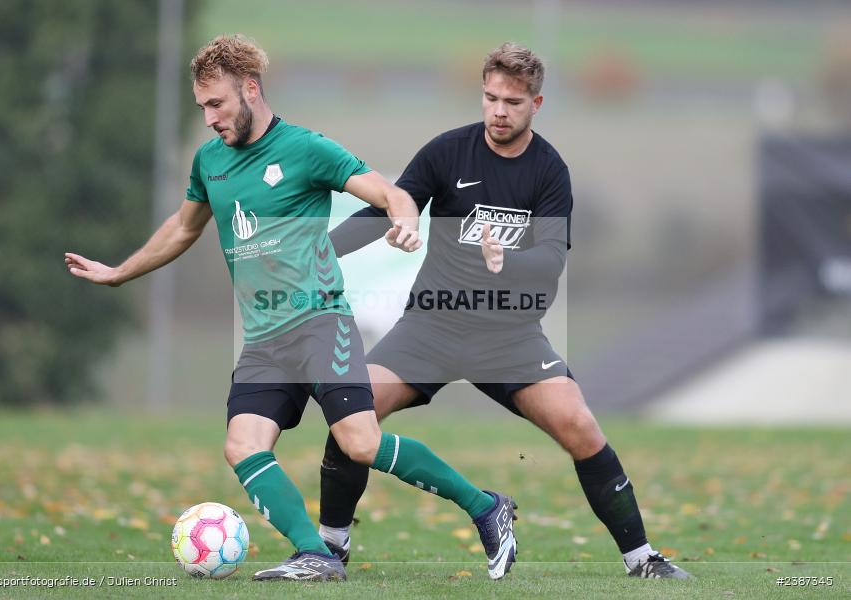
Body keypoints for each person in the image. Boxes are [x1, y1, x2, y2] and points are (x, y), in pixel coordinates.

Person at [64, 34, 517, 582]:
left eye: (217, 104)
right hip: (263, 339)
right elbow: (184, 227)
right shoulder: (209, 162)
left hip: (320, 323)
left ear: (251, 90)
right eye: (202, 106)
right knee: (242, 445)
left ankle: (485, 507)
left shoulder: (306, 149)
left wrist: (403, 219)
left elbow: (388, 192)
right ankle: (316, 555)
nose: (209, 118)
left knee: (360, 442)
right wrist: (119, 272)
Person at [318, 42, 692, 580]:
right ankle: (330, 548)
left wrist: (506, 262)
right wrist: (323, 251)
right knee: (353, 411)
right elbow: (390, 208)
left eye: (512, 102)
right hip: (433, 324)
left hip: (508, 335)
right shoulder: (448, 152)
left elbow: (550, 261)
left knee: (580, 426)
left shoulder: (549, 171)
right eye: (490, 98)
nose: (498, 111)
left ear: (535, 103)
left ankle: (643, 559)